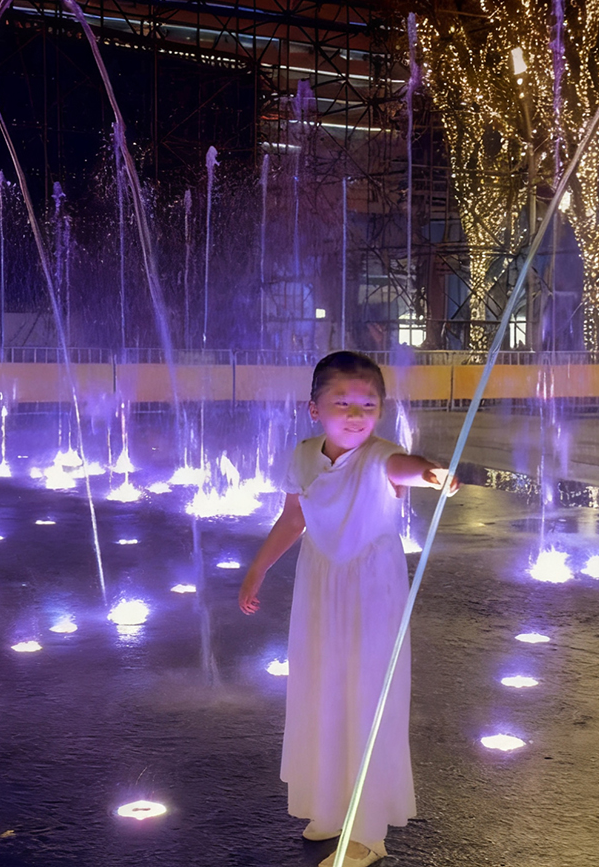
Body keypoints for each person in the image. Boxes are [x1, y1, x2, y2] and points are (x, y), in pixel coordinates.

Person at [238, 350, 459, 867]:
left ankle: (368, 830)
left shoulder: (381, 456)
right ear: (314, 408)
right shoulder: (303, 456)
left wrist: (432, 473)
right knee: (322, 690)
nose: (356, 414)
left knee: (367, 695)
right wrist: (258, 569)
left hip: (371, 590)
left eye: (368, 404)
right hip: (319, 585)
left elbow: (406, 467)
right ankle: (332, 806)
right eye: (342, 403)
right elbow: (293, 519)